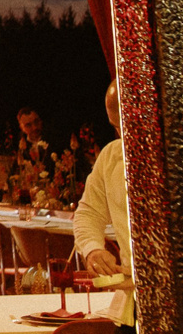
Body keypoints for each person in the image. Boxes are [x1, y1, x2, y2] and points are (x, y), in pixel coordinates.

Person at [73, 83, 133, 328]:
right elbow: (88, 213)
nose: (121, 134)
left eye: (126, 124)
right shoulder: (111, 156)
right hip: (132, 305)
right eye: (116, 126)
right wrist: (93, 250)